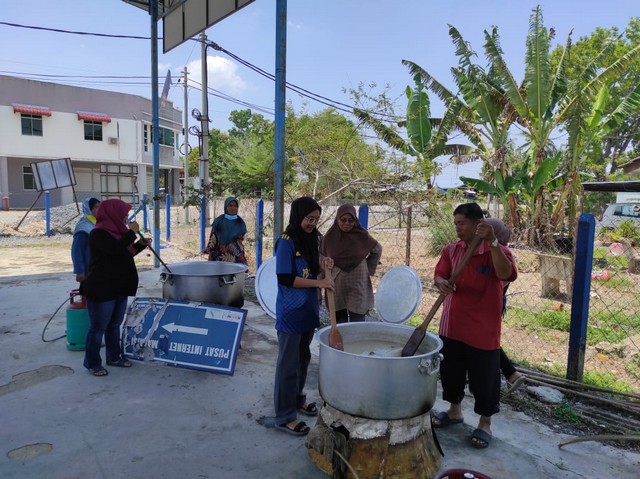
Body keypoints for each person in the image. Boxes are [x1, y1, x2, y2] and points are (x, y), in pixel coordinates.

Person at [430, 203, 518, 449]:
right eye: (456, 223)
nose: (458, 228)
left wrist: (492, 243)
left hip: (482, 328)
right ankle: (455, 411)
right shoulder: (452, 249)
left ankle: (485, 423)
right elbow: (440, 274)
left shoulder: (497, 251)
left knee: (484, 378)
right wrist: (442, 282)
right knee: (451, 372)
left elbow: (506, 274)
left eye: (462, 223)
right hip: (453, 323)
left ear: (479, 223)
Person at [273, 197, 334, 436]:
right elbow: (285, 277)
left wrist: (324, 265)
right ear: (298, 215)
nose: (312, 223)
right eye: (309, 219)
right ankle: (284, 416)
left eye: (316, 219)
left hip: (308, 309)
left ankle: (297, 399)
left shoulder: (313, 239)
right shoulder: (286, 242)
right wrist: (319, 282)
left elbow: (313, 268)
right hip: (290, 312)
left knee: (303, 359)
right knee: (287, 365)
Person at [81, 198, 151, 377]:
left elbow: (125, 253)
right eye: (124, 214)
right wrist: (131, 233)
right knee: (98, 327)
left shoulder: (119, 233)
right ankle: (92, 363)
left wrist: (140, 245)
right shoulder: (98, 233)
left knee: (114, 324)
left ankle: (113, 357)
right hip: (101, 287)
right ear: (113, 214)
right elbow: (114, 250)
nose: (126, 217)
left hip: (119, 285)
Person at [320, 204, 382, 323]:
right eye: (343, 220)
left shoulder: (362, 236)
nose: (347, 223)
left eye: (350, 220)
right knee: (339, 322)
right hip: (337, 286)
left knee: (357, 322)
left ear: (355, 220)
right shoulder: (328, 238)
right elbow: (322, 261)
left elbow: (377, 250)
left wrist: (368, 269)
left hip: (357, 285)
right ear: (337, 219)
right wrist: (321, 282)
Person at [483, 218, 524, 389]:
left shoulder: (501, 254)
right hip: (489, 303)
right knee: (484, 339)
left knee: (485, 340)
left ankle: (510, 373)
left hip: (489, 304)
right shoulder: (487, 250)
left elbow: (501, 279)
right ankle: (510, 374)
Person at [205, 196, 248, 265]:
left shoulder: (240, 222)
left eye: (235, 206)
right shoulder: (219, 221)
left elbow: (240, 240)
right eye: (230, 206)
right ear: (226, 207)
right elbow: (213, 239)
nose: (233, 208)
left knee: (239, 271)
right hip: (220, 256)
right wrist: (210, 254)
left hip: (236, 257)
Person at [71, 197, 100, 282]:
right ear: (88, 208)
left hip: (97, 268)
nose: (98, 210)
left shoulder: (97, 223)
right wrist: (79, 271)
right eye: (95, 207)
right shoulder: (83, 228)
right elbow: (77, 251)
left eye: (100, 207)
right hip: (88, 269)